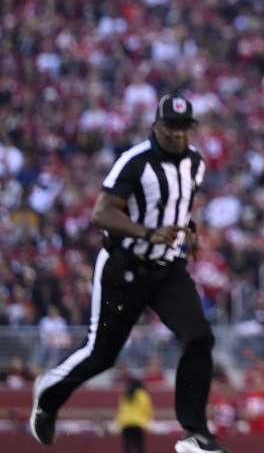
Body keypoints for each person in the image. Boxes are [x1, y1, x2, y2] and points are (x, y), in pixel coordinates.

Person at [29, 95, 227, 453]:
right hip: (125, 268)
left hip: (167, 268)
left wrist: (191, 230)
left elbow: (178, 205)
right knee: (101, 354)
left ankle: (195, 434)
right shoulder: (134, 163)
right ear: (157, 124)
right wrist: (147, 233)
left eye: (184, 127)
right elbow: (101, 214)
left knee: (199, 338)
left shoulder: (195, 162)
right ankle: (49, 394)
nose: (178, 135)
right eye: (172, 126)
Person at [115, 377, 152, 453]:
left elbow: (120, 410)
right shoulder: (143, 395)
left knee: (127, 447)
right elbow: (147, 410)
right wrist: (147, 421)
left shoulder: (125, 395)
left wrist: (119, 424)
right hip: (138, 423)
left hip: (125, 424)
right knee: (139, 447)